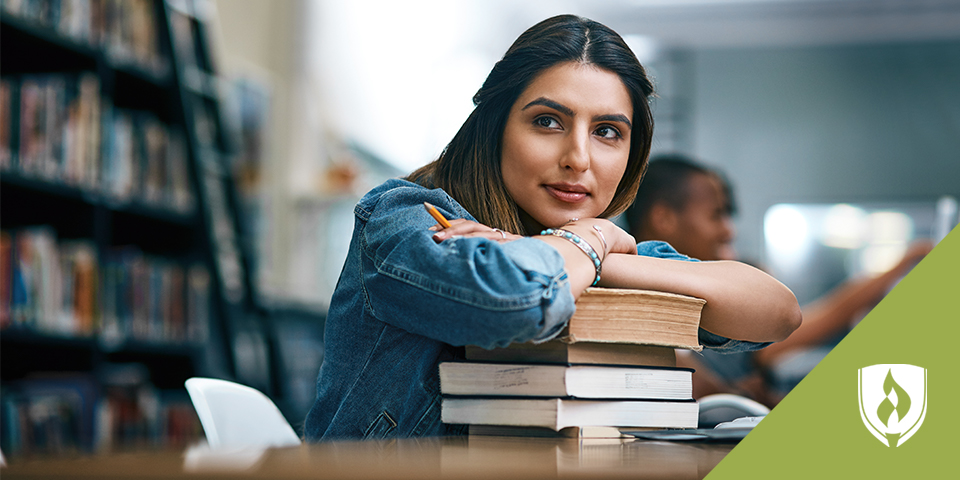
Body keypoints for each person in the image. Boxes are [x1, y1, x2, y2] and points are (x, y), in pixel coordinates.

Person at [303, 15, 801, 442]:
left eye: (607, 132)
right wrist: (588, 240)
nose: (578, 158)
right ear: (495, 126)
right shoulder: (404, 217)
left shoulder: (597, 253)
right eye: (547, 122)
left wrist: (588, 250)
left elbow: (776, 313)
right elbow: (515, 298)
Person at [624, 155, 932, 405]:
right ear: (664, 217)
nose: (729, 230)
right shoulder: (628, 300)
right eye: (716, 215)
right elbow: (816, 320)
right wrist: (905, 263)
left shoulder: (725, 290)